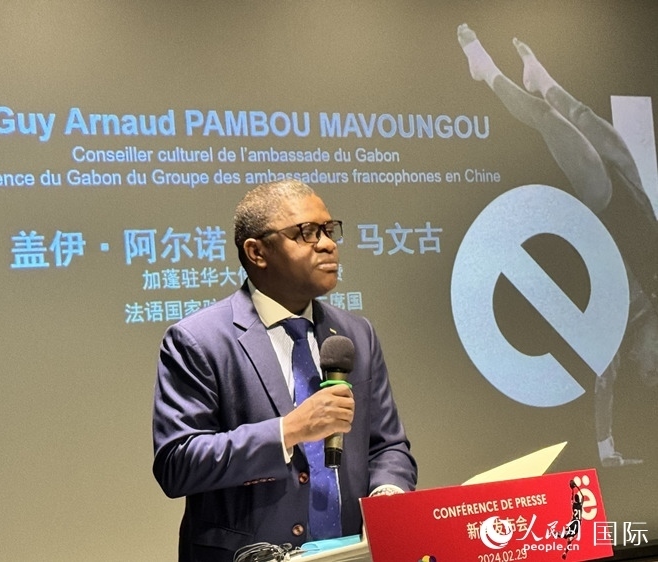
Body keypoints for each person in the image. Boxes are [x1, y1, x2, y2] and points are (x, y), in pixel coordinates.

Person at [152, 179, 418, 562]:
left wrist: (388, 498)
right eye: (306, 232)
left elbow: (387, 445)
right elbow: (178, 463)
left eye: (329, 230)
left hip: (353, 553)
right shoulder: (198, 340)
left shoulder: (355, 333)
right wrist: (288, 430)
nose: (327, 244)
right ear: (257, 252)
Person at [457, 23, 658, 467]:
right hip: (639, 197)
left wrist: (606, 449)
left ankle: (486, 71)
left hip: (607, 204)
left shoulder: (619, 328)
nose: (655, 362)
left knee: (548, 121)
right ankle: (540, 78)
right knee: (583, 114)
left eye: (650, 369)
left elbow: (605, 383)